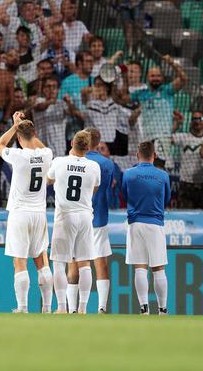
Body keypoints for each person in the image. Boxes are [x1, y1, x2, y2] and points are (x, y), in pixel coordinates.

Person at [0, 112, 54, 314]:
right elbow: (37, 143)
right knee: (42, 260)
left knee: (19, 261)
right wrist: (25, 128)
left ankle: (22, 307)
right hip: (39, 214)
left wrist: (14, 126)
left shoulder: (18, 156)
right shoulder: (47, 154)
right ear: (34, 133)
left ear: (19, 139)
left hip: (20, 213)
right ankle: (47, 308)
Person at [47, 130, 101, 314]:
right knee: (85, 262)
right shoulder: (94, 166)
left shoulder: (59, 162)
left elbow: (48, 180)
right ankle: (83, 308)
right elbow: (94, 188)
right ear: (88, 147)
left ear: (72, 143)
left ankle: (62, 307)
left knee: (59, 262)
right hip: (85, 215)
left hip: (65, 215)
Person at [122, 140, 170, 315]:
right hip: (155, 223)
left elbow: (124, 194)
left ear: (137, 155)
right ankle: (163, 310)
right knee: (158, 268)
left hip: (135, 223)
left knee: (140, 267)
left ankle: (144, 309)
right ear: (154, 155)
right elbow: (167, 198)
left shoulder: (128, 174)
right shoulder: (163, 175)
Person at [83, 128, 115, 314]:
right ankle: (102, 307)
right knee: (100, 261)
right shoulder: (107, 164)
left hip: (77, 217)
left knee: (77, 263)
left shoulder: (74, 161)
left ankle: (75, 308)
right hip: (99, 217)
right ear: (98, 141)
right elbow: (109, 192)